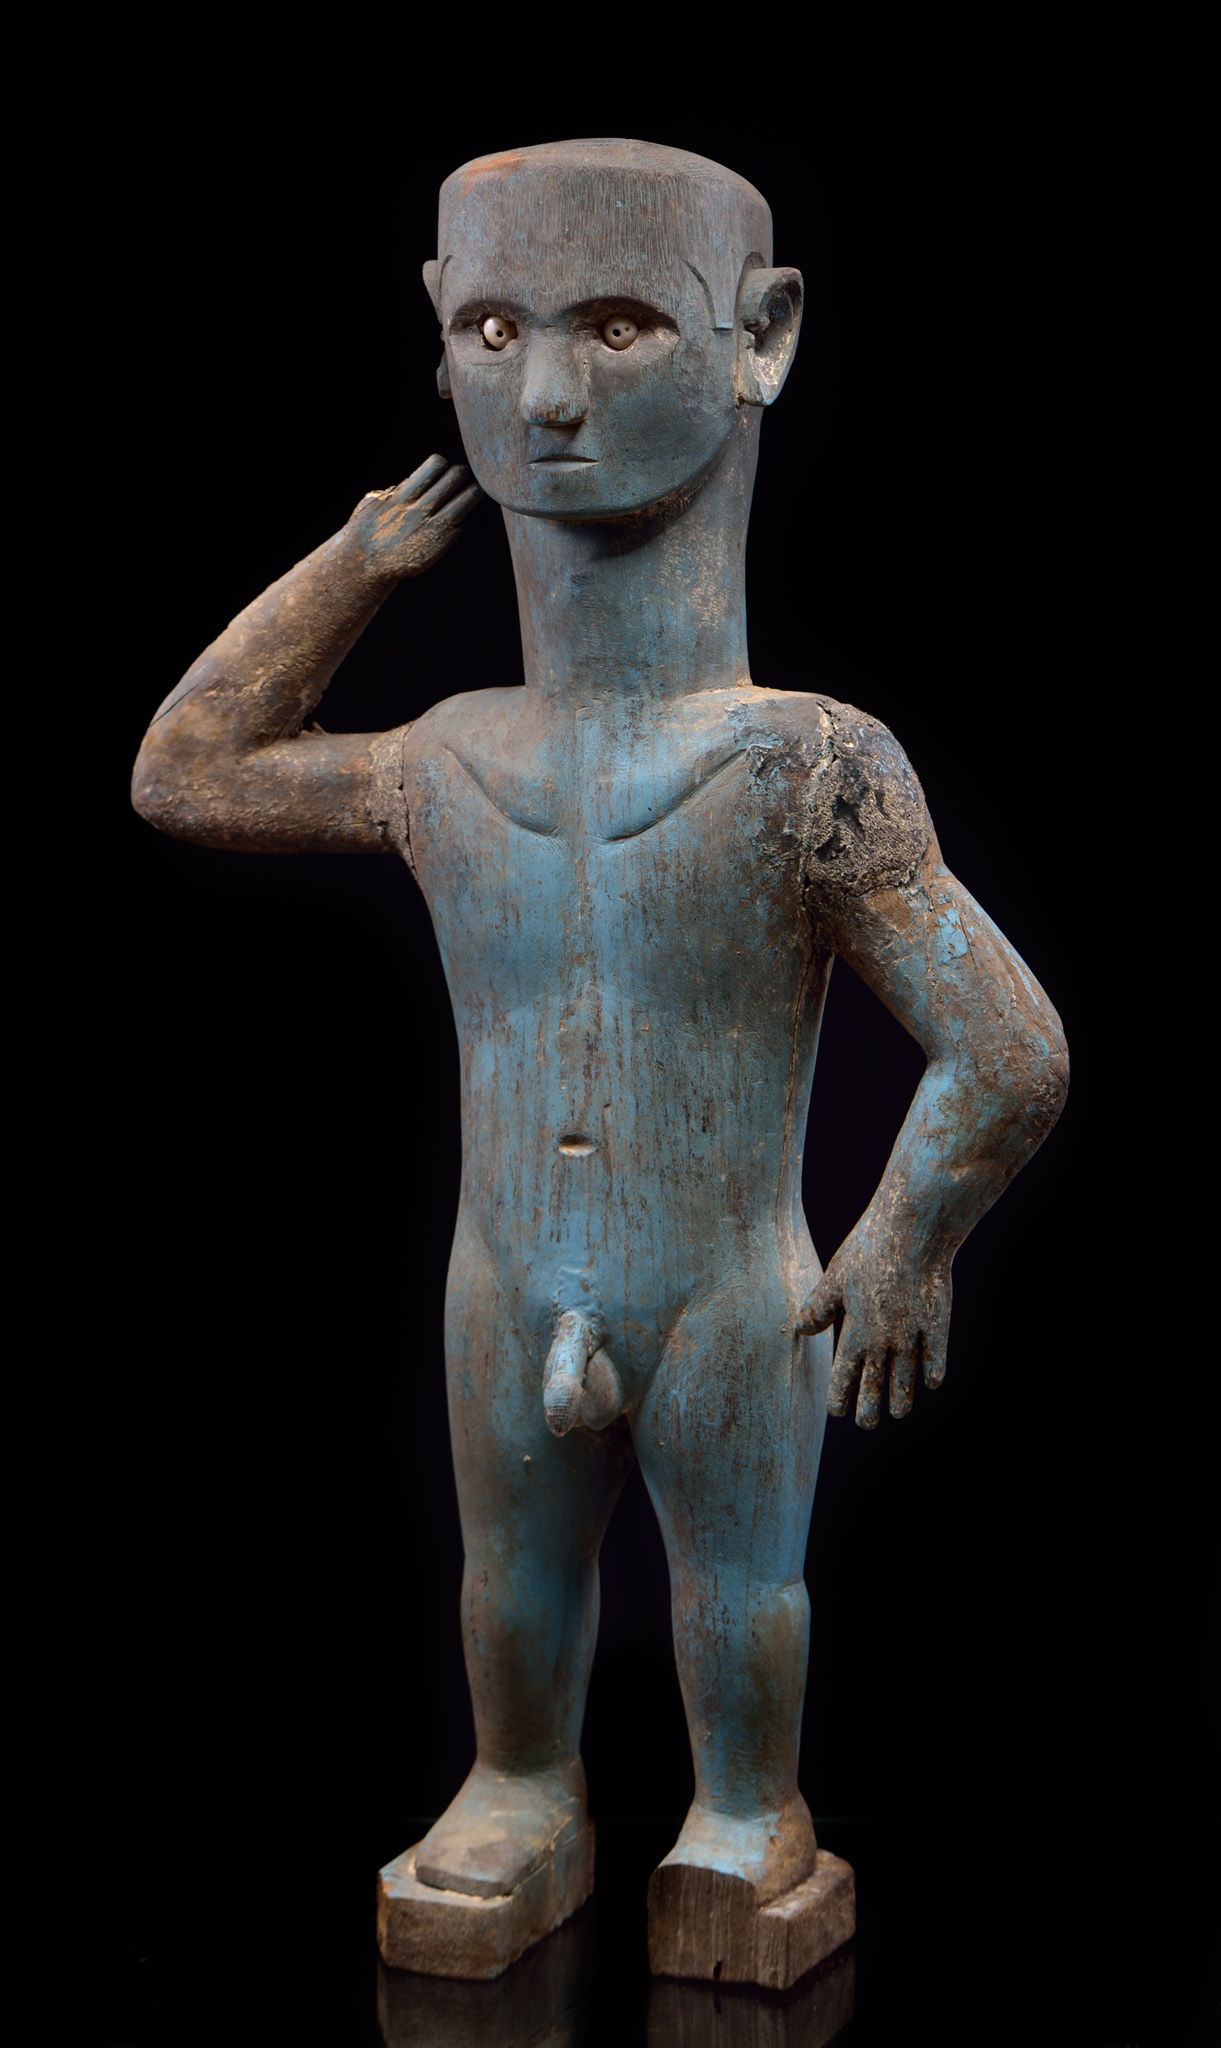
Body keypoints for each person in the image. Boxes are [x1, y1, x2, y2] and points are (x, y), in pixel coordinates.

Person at [133, 139, 1067, 1940]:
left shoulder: (806, 763)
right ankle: (522, 1784)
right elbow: (187, 773)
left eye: (620, 325)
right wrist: (356, 564)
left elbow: (1009, 1044)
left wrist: (899, 1244)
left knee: (740, 1588)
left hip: (724, 1285)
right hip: (504, 1274)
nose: (544, 394)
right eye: (492, 329)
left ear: (759, 338)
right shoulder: (447, 758)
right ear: (437, 335)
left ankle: (744, 1815)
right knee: (512, 1572)